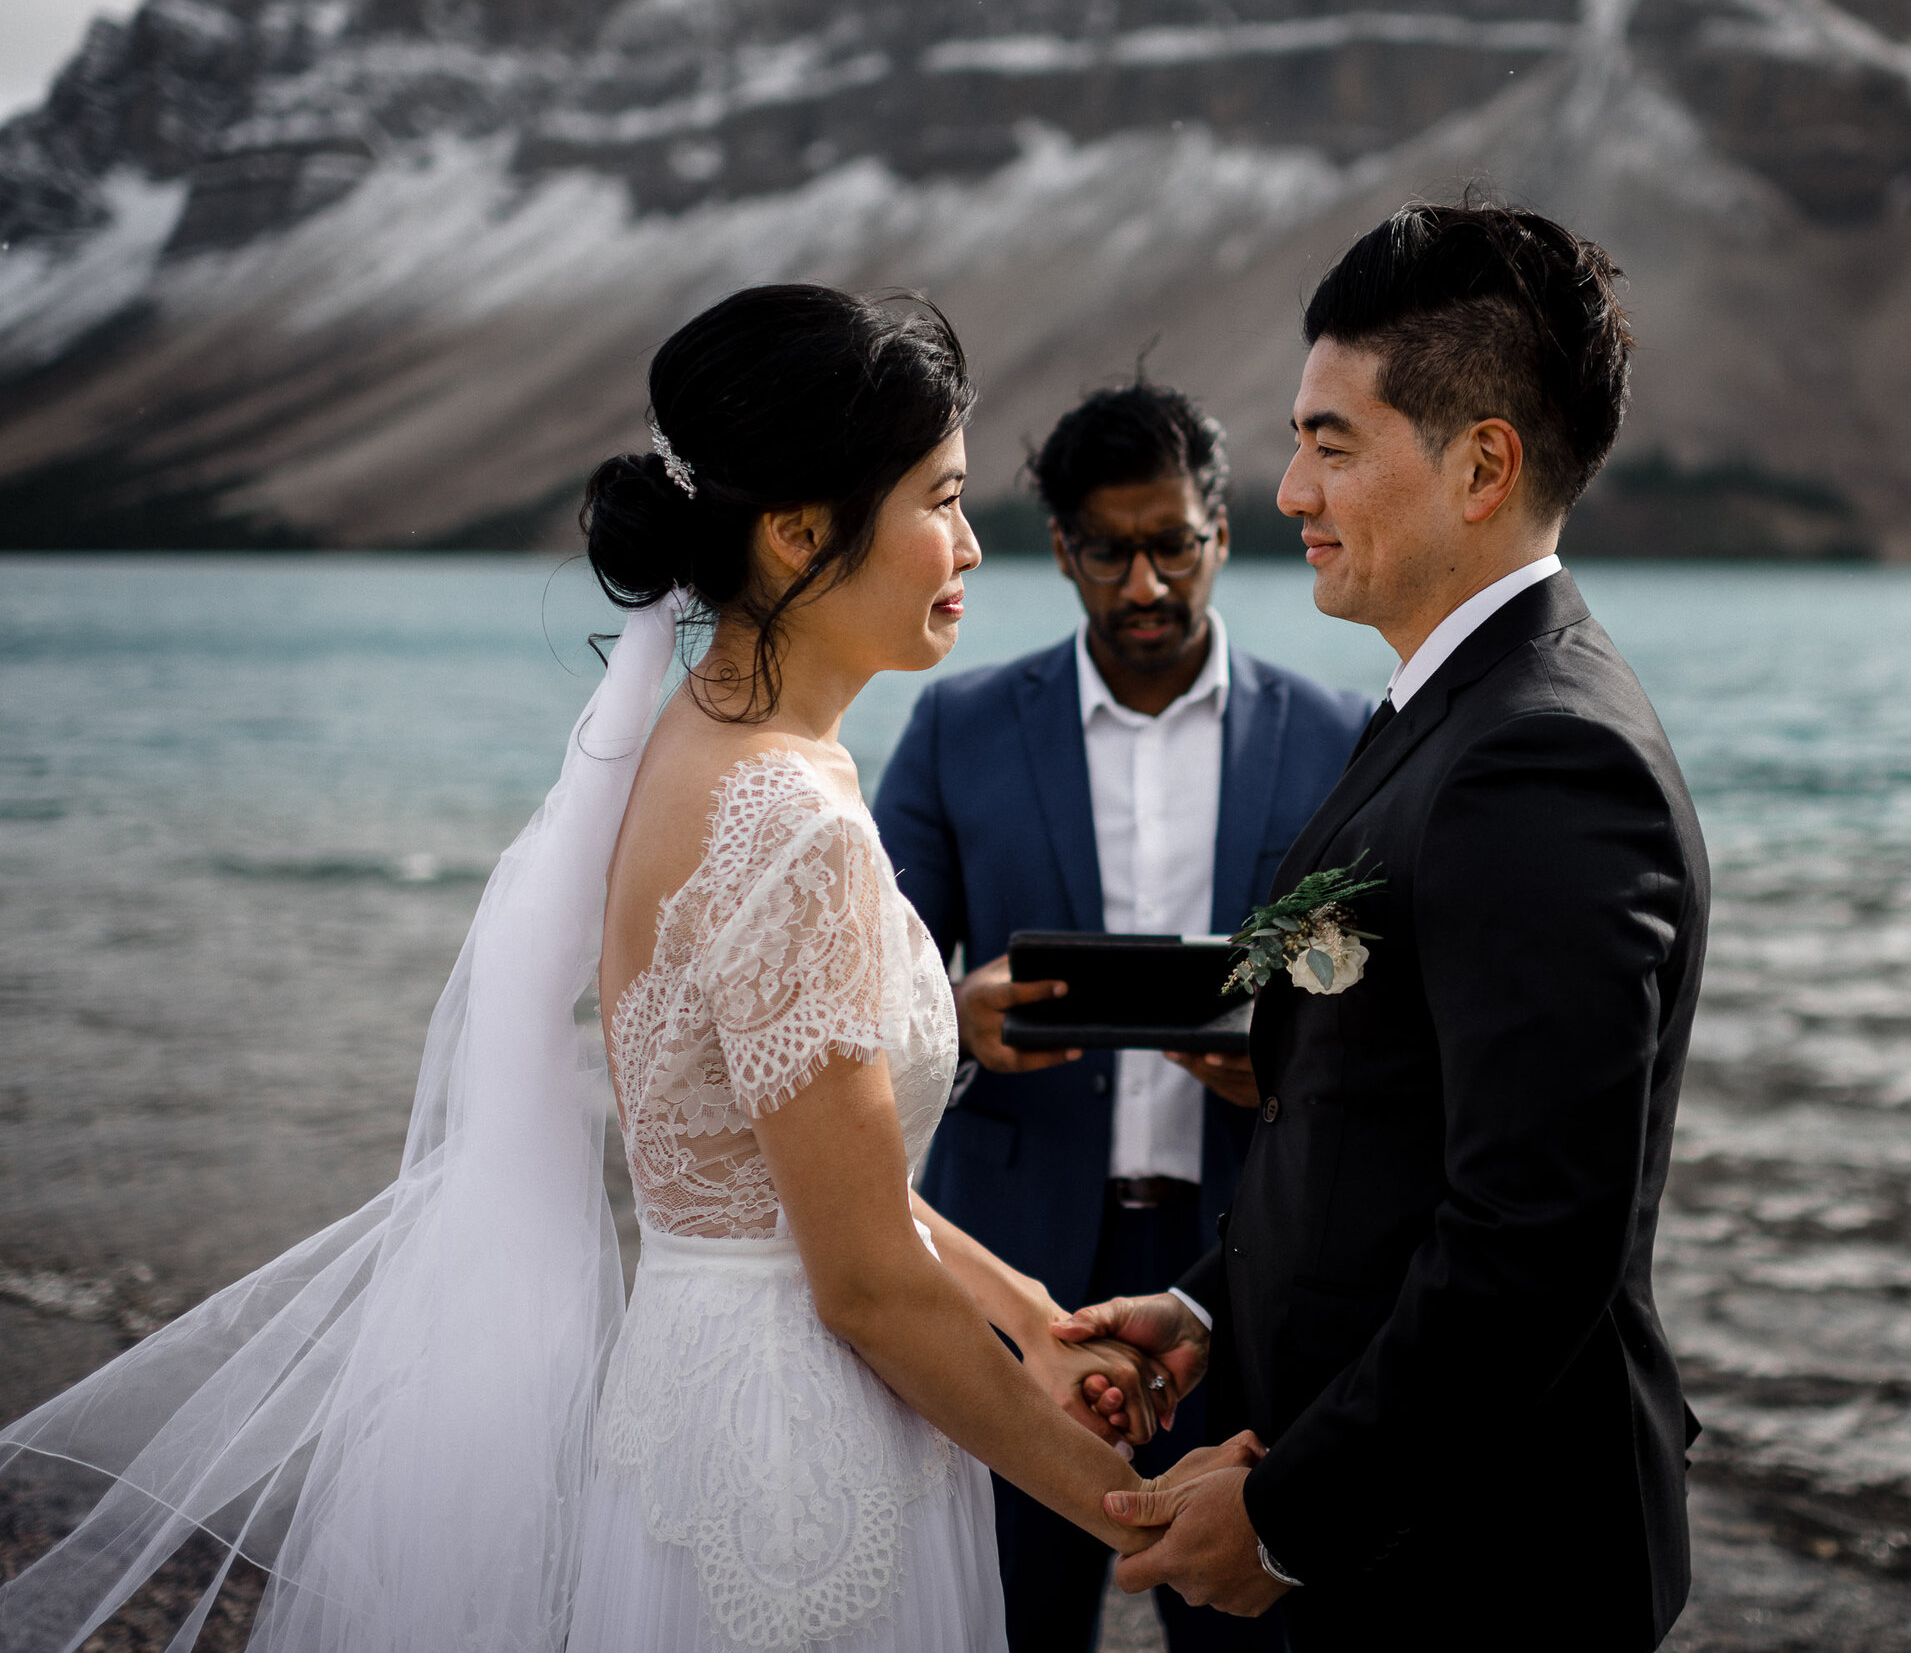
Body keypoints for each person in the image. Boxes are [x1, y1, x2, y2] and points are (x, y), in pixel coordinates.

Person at [0, 285, 1256, 1653]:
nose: (966, 543)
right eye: (939, 499)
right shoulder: (794, 824)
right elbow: (860, 1283)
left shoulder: (693, 749)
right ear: (794, 532)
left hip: (694, 1408)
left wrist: (1030, 1315)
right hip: (801, 1460)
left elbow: (814, 1188)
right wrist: (1139, 1509)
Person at [1053, 202, 1712, 1650]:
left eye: (1331, 442)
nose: (1288, 489)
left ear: (1484, 463)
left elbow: (1532, 1242)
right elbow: (1372, 1128)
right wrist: (1208, 1305)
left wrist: (1293, 1518)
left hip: (1478, 1568)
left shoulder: (1545, 761)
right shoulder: (1445, 712)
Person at [874, 380, 1367, 1653]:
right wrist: (953, 1011)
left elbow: (1374, 1004)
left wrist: (1282, 1060)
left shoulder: (1334, 736)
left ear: (1220, 529)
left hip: (1243, 1272)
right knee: (1009, 1623)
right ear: (1062, 549)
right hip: (1014, 1280)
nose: (1145, 584)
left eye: (1175, 545)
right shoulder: (958, 724)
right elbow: (865, 990)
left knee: (1246, 1628)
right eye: (1110, 551)